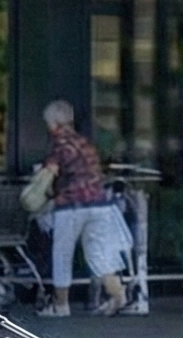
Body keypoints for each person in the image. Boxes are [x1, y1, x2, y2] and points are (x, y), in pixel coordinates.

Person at [38, 100, 129, 318]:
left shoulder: (60, 144)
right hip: (99, 204)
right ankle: (118, 296)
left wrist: (38, 191)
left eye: (49, 122)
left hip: (71, 206)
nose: (48, 127)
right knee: (99, 253)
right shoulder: (86, 142)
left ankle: (61, 305)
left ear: (56, 123)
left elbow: (49, 174)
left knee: (62, 254)